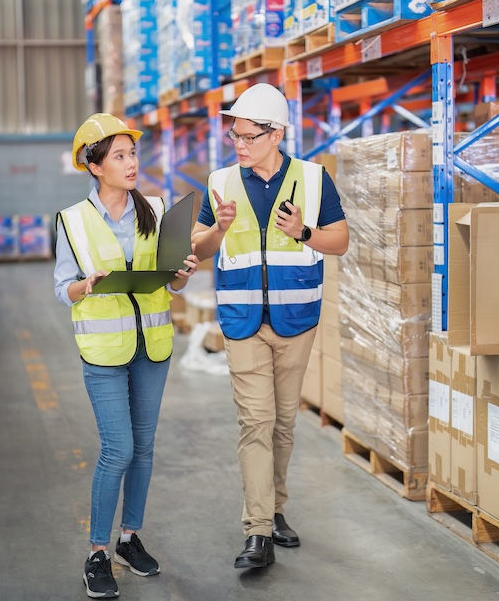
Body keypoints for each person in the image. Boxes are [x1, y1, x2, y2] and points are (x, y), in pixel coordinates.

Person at [191, 84, 349, 569]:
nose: (239, 144)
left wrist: (303, 231)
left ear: (276, 133)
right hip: (243, 322)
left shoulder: (314, 178)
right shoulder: (220, 181)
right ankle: (257, 531)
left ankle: (275, 509)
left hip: (295, 319)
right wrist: (217, 228)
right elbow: (197, 249)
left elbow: (340, 241)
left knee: (283, 423)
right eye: (234, 135)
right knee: (255, 422)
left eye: (249, 136)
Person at [54, 113, 199, 598]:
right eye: (119, 155)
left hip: (151, 346)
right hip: (104, 351)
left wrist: (184, 272)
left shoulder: (155, 208)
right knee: (117, 449)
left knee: (144, 448)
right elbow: (62, 289)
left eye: (133, 153)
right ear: (95, 166)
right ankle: (97, 552)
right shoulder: (73, 221)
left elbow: (171, 279)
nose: (131, 162)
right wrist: (84, 285)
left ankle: (128, 540)